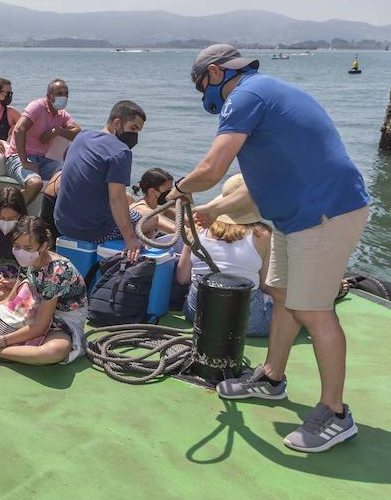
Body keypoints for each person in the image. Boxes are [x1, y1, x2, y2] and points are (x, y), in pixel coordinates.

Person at [172, 44, 371, 453]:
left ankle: (336, 413)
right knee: (280, 294)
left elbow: (211, 170)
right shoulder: (263, 94)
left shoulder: (243, 97)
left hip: (324, 213)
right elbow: (254, 191)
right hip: (292, 217)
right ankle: (272, 378)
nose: (204, 97)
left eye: (200, 86)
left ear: (213, 74)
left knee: (314, 311)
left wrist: (180, 189)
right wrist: (210, 208)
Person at [0, 216, 87, 365]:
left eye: (28, 248)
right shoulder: (28, 260)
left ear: (43, 246)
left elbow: (39, 327)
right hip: (34, 306)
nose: (20, 251)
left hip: (62, 319)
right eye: (17, 246)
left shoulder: (57, 272)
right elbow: (10, 300)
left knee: (55, 350)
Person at [175, 176, 274, 337]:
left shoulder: (198, 228)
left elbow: (182, 277)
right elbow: (266, 285)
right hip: (246, 324)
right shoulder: (263, 235)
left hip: (197, 315)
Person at [52, 99, 147, 257]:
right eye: (133, 128)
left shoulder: (82, 136)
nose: (135, 135)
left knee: (128, 203)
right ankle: (136, 261)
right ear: (117, 122)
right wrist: (130, 239)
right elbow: (116, 198)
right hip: (92, 231)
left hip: (62, 223)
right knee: (151, 220)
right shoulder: (121, 151)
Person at [7, 79, 82, 204]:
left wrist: (57, 131)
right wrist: (24, 161)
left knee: (71, 174)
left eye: (66, 93)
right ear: (49, 96)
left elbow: (78, 132)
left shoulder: (61, 115)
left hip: (42, 159)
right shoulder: (38, 106)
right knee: (35, 184)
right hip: (17, 157)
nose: (63, 97)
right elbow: (19, 129)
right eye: (59, 94)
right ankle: (9, 211)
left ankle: (49, 216)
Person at [130, 168, 177, 239]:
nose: (171, 193)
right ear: (152, 191)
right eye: (167, 190)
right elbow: (177, 230)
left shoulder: (160, 208)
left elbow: (188, 219)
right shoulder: (143, 210)